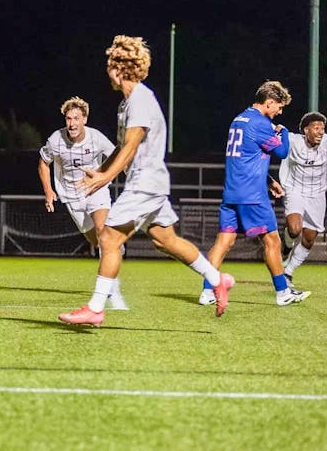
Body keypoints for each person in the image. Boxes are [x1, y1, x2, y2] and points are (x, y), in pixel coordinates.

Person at [59, 35, 234, 327]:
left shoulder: (140, 99)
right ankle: (218, 280)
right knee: (166, 240)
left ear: (119, 68)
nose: (107, 71)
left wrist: (105, 177)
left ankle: (95, 308)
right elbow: (120, 147)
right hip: (148, 183)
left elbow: (131, 145)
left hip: (145, 183)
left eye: (109, 65)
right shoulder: (126, 104)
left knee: (108, 237)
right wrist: (102, 169)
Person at [197, 81, 309, 307]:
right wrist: (284, 132)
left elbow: (246, 157)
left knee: (224, 241)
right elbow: (282, 151)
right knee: (273, 241)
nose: (279, 111)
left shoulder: (238, 119)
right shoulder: (261, 123)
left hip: (232, 192)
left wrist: (269, 181)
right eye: (279, 106)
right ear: (269, 102)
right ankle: (282, 292)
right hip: (252, 196)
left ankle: (207, 292)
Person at [38, 96, 127, 309]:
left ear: (84, 119)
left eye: (76, 118)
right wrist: (49, 191)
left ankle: (109, 287)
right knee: (96, 241)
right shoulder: (56, 139)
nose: (72, 123)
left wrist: (109, 172)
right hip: (70, 196)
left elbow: (117, 153)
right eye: (69, 118)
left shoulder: (96, 138)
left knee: (103, 233)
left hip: (96, 190)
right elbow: (43, 163)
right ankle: (114, 255)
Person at [276, 111, 327, 289]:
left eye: (322, 128)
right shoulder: (293, 141)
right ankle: (286, 244)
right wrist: (275, 129)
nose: (320, 131)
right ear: (306, 130)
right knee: (294, 229)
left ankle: (288, 272)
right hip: (295, 191)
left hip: (317, 195)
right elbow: (271, 131)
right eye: (316, 128)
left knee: (309, 239)